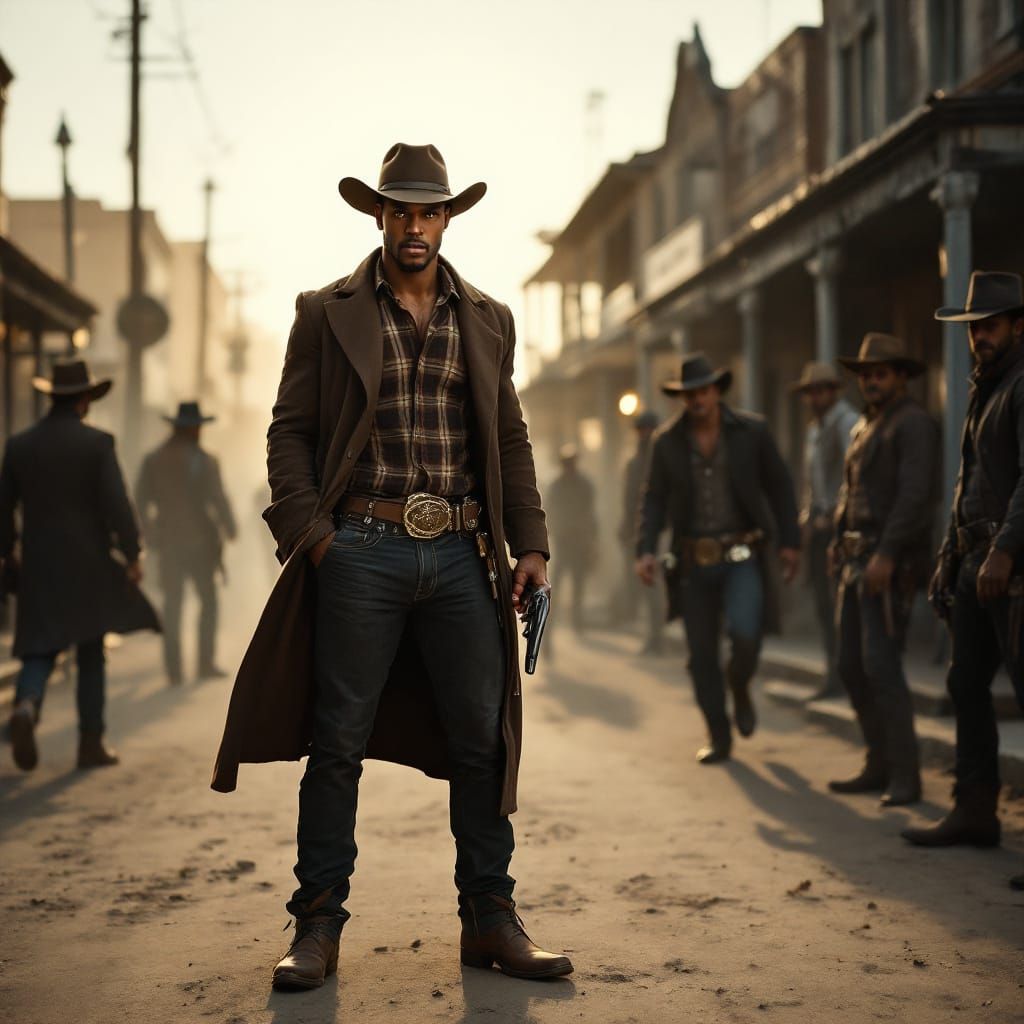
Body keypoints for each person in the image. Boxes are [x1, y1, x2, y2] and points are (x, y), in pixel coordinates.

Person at [210, 144, 572, 990]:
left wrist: (532, 545)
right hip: (360, 550)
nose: (415, 226)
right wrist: (313, 533)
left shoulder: (486, 318)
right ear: (378, 216)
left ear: (449, 219)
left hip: (459, 551)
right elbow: (288, 430)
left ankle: (490, 921)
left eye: (429, 211)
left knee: (482, 742)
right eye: (400, 210)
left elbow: (508, 440)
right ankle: (317, 928)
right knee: (335, 745)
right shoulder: (324, 311)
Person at [902, 271, 1024, 889]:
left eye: (991, 326)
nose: (981, 336)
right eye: (975, 328)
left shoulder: (1022, 383)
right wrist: (952, 559)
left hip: (1014, 564)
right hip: (977, 562)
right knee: (965, 682)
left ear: (1017, 326)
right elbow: (967, 486)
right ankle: (975, 810)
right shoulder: (988, 386)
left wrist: (1004, 551)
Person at [635, 352, 800, 764]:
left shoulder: (752, 431)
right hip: (692, 561)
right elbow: (653, 499)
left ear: (717, 391)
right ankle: (718, 734)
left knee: (746, 635)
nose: (697, 400)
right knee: (701, 654)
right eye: (689, 394)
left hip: (743, 554)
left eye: (704, 391)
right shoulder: (667, 441)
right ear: (683, 398)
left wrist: (790, 542)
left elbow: (780, 486)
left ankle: (740, 684)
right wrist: (645, 550)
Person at [0, 359, 158, 771]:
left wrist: (8, 552)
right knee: (90, 649)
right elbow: (117, 505)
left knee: (39, 645)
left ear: (52, 396)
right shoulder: (97, 444)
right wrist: (133, 553)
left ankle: (27, 705)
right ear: (85, 399)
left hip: (38, 562)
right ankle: (91, 743)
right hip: (88, 562)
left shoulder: (19, 446)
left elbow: (3, 511)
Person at [828, 334, 939, 807]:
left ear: (900, 376)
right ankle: (879, 762)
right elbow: (848, 492)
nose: (872, 380)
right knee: (850, 666)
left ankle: (906, 775)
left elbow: (916, 497)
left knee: (882, 667)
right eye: (866, 374)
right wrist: (838, 540)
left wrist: (888, 554)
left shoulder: (913, 424)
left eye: (882, 372)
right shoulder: (864, 428)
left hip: (886, 563)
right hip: (855, 561)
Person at [135, 401, 237, 685]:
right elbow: (218, 497)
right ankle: (204, 663)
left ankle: (175, 671)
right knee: (208, 602)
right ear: (193, 429)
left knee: (173, 606)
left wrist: (150, 531)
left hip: (169, 541)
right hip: (202, 542)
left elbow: (140, 501)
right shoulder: (205, 460)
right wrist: (230, 527)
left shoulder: (153, 459)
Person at [790, 362, 859, 699]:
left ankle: (846, 675)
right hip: (819, 527)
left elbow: (853, 476)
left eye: (821, 391)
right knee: (823, 604)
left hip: (842, 528)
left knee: (840, 605)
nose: (816, 397)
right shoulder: (815, 430)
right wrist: (807, 517)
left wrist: (835, 513)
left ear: (833, 391)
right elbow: (811, 484)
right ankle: (833, 674)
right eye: (811, 392)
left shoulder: (847, 423)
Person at [620, 411, 665, 654]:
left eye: (648, 429)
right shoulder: (634, 463)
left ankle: (658, 635)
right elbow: (629, 499)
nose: (644, 434)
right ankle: (655, 636)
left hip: (662, 530)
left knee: (657, 585)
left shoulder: (664, 457)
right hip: (642, 531)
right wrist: (626, 527)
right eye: (641, 430)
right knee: (649, 585)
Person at [546, 445, 597, 633]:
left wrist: (592, 540)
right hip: (563, 541)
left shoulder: (584, 485)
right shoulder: (557, 486)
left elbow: (590, 514)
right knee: (557, 584)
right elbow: (550, 511)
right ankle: (551, 622)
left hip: (579, 542)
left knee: (578, 584)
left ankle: (577, 622)